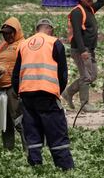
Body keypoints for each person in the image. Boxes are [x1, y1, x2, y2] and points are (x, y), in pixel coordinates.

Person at [12, 18, 74, 170]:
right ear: (50, 30)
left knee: (32, 130)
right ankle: (64, 167)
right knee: (56, 130)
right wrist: (57, 91)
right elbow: (62, 73)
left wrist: (19, 92)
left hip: (26, 93)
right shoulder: (54, 42)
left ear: (36, 29)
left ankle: (35, 164)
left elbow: (15, 74)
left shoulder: (24, 44)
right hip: (46, 93)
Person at [62, 0, 104, 112]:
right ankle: (84, 104)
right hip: (80, 49)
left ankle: (68, 92)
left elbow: (103, 0)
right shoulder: (77, 12)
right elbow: (77, 32)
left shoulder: (90, 8)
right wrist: (82, 51)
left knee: (92, 76)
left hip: (90, 49)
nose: (90, 0)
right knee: (86, 76)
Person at [0, 16, 26, 150]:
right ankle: (8, 149)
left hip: (14, 88)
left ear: (16, 32)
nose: (7, 36)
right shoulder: (2, 46)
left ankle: (28, 149)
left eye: (9, 33)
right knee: (4, 123)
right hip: (1, 88)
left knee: (19, 120)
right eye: (4, 34)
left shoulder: (23, 44)